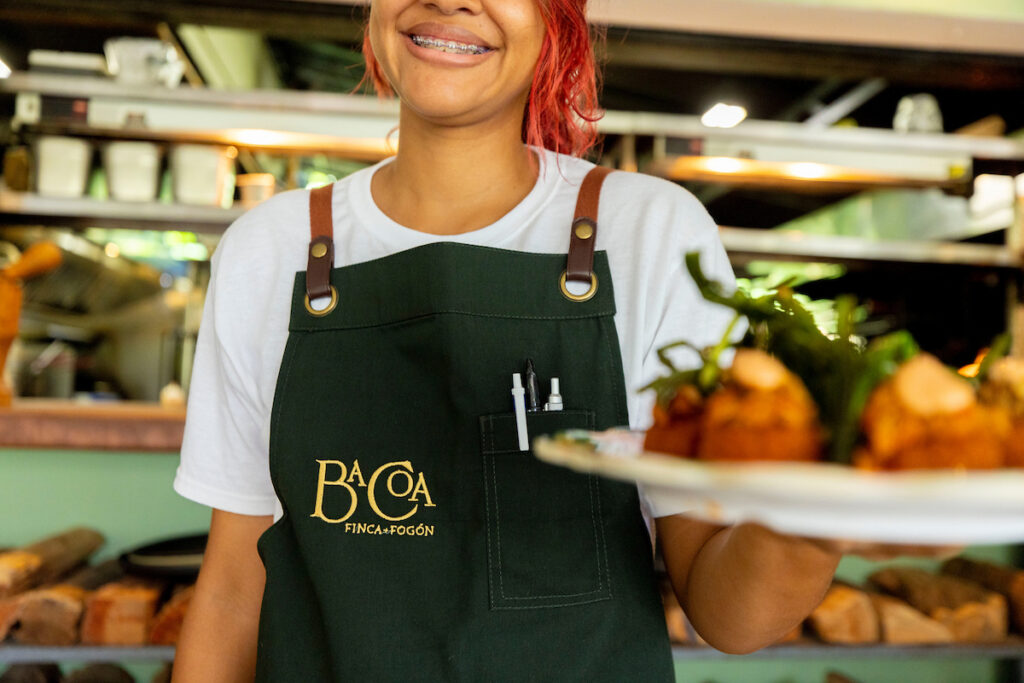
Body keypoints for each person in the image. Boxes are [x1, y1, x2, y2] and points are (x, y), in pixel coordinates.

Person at [171, 1, 851, 680]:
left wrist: (813, 517)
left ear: (556, 24)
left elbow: (730, 617)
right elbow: (234, 590)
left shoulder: (649, 234)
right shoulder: (268, 250)